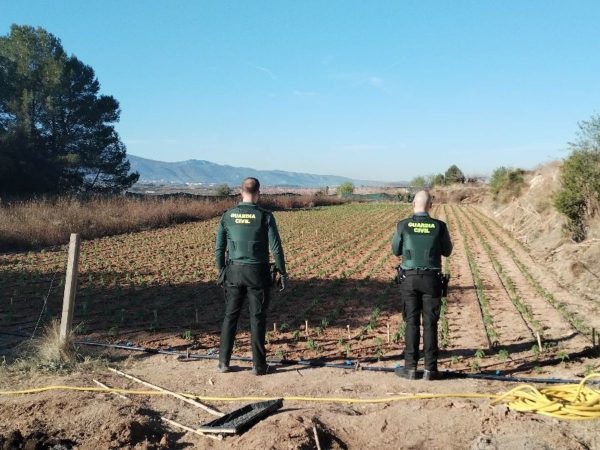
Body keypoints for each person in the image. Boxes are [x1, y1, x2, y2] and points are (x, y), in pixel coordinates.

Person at [215, 177, 288, 375]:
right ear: (258, 193)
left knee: (230, 316)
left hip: (234, 272)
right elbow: (276, 248)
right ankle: (258, 365)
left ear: (241, 192)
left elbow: (219, 248)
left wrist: (221, 271)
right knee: (257, 318)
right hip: (258, 273)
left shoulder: (228, 216)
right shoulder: (265, 216)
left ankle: (223, 362)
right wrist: (282, 271)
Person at [391, 190, 452, 380]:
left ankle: (410, 368)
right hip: (432, 280)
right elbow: (447, 251)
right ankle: (430, 369)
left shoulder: (403, 225)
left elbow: (395, 250)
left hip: (409, 279)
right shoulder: (439, 226)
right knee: (431, 323)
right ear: (430, 206)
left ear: (413, 205)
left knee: (411, 321)